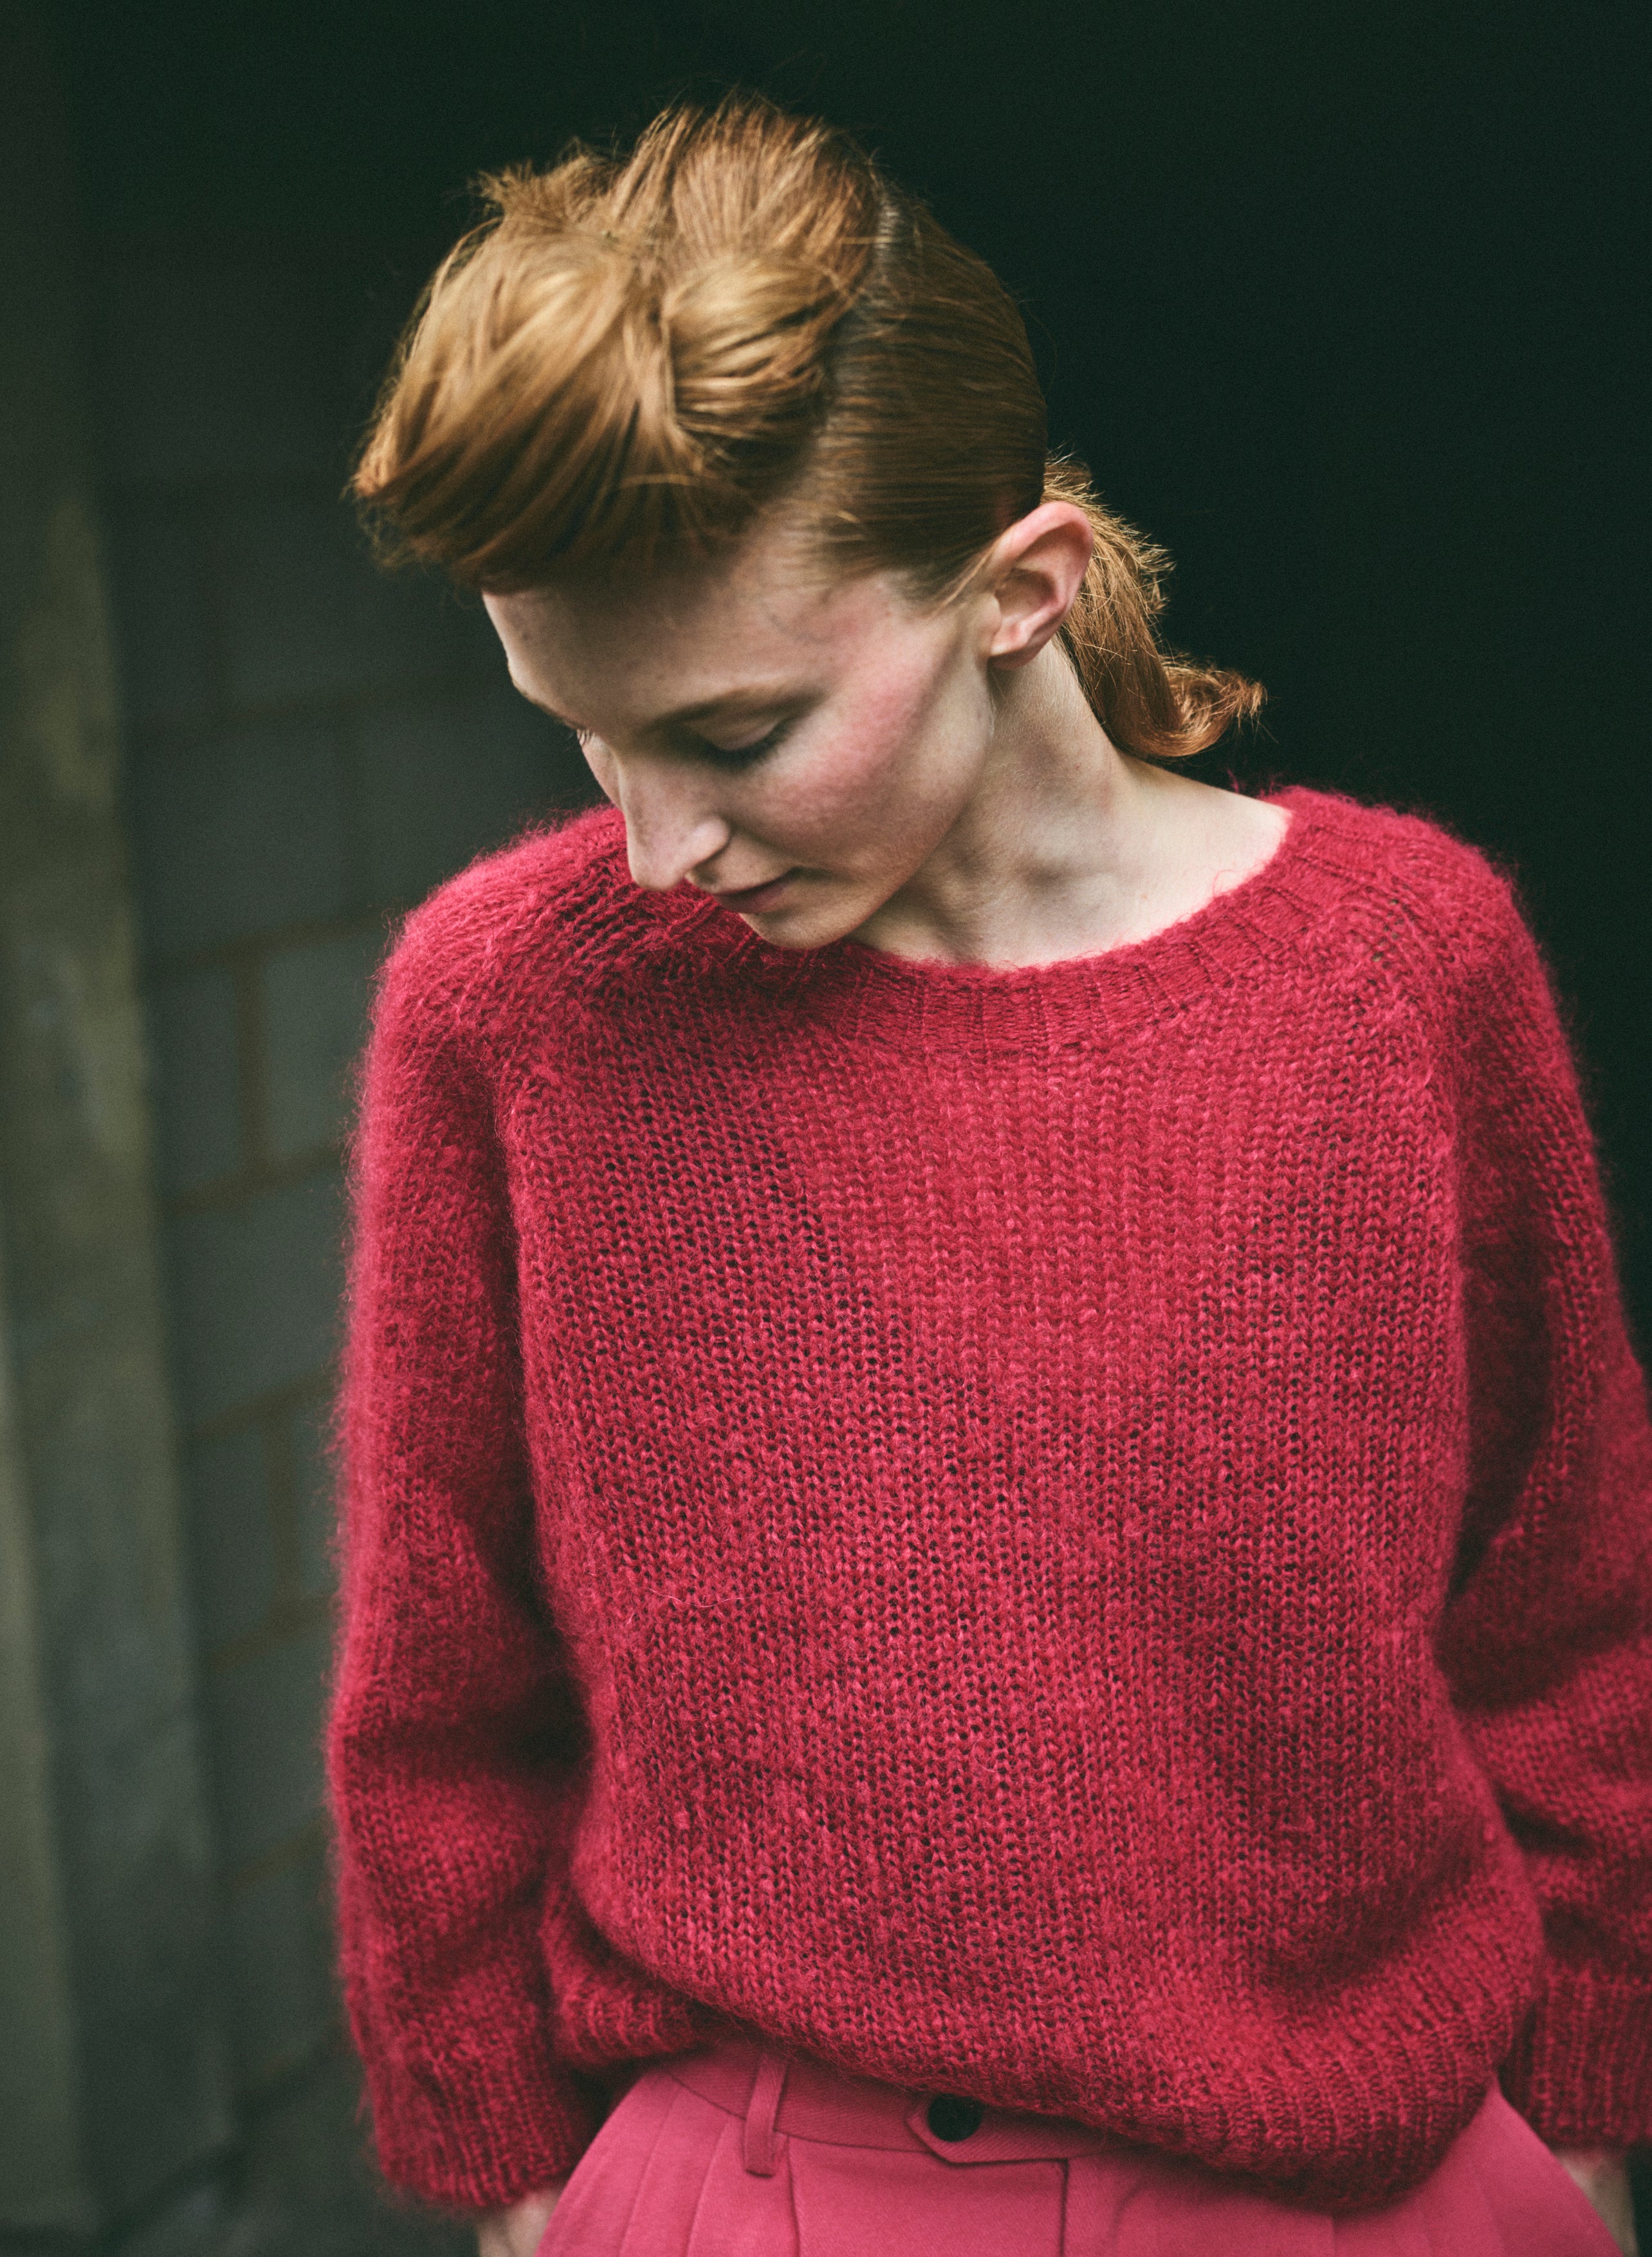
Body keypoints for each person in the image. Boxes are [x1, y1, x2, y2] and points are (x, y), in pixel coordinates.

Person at [327, 93, 1651, 2256]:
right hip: (747, 2184)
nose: (659, 846)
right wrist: (516, 2172)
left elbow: (1567, 1599)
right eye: (585, 735)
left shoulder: (1407, 970)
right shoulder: (512, 1010)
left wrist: (1591, 2109)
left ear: (1021, 590)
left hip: (1374, 2178)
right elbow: (440, 1666)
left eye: (736, 738)